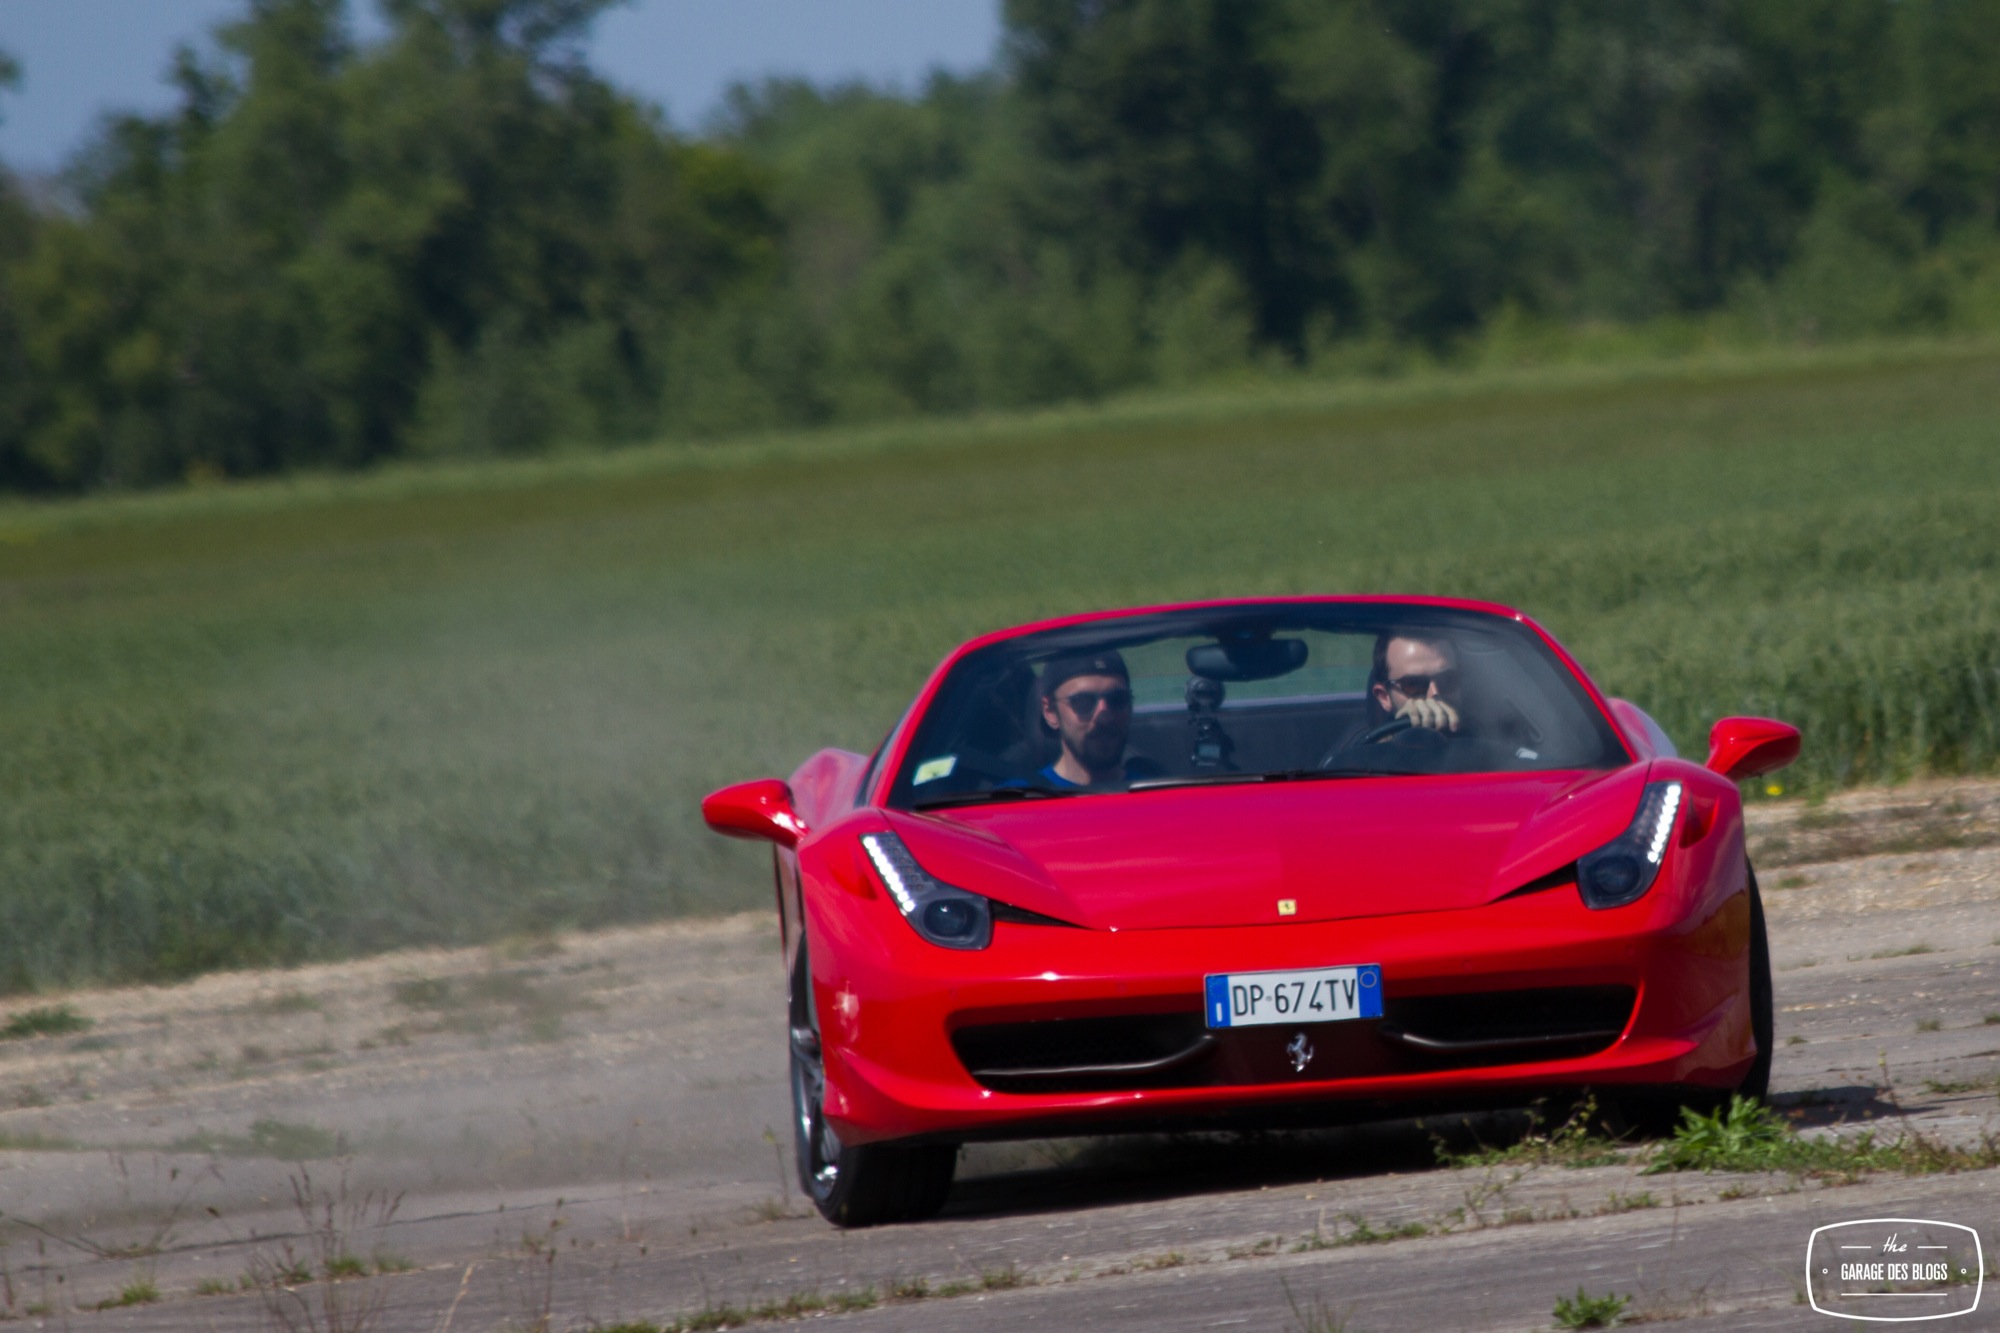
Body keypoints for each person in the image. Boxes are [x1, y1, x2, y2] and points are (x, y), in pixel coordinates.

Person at [1034, 650, 1158, 788]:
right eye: (1083, 702)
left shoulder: (1158, 789)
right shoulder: (1020, 799)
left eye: (1117, 700)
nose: (1104, 718)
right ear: (1050, 712)